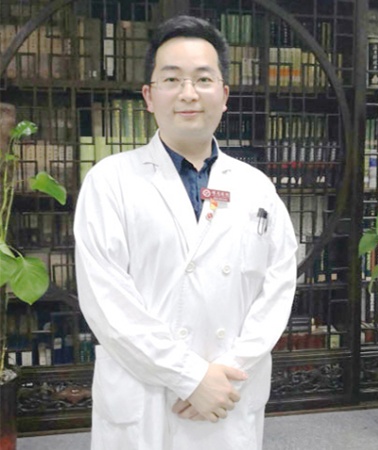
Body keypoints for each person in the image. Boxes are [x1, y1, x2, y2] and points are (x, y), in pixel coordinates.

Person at [74, 15, 297, 450]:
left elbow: (278, 286)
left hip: (229, 391)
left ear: (224, 95)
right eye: (172, 79)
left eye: (203, 79)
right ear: (149, 96)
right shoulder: (110, 180)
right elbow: (107, 301)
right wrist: (191, 377)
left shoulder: (257, 187)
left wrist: (226, 375)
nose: (188, 93)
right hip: (146, 396)